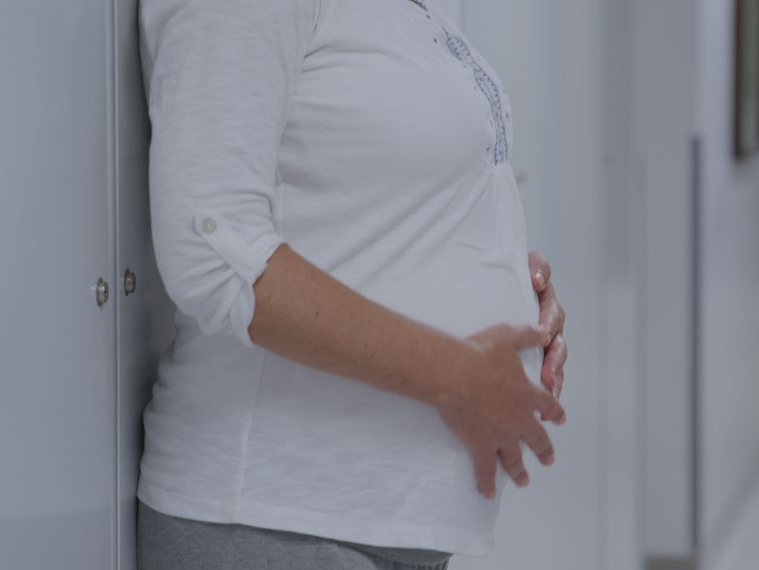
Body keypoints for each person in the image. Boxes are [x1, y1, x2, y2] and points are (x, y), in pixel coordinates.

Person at [134, 0, 570, 568]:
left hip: (383, 524)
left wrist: (514, 276)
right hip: (276, 520)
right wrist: (457, 374)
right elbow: (212, 251)